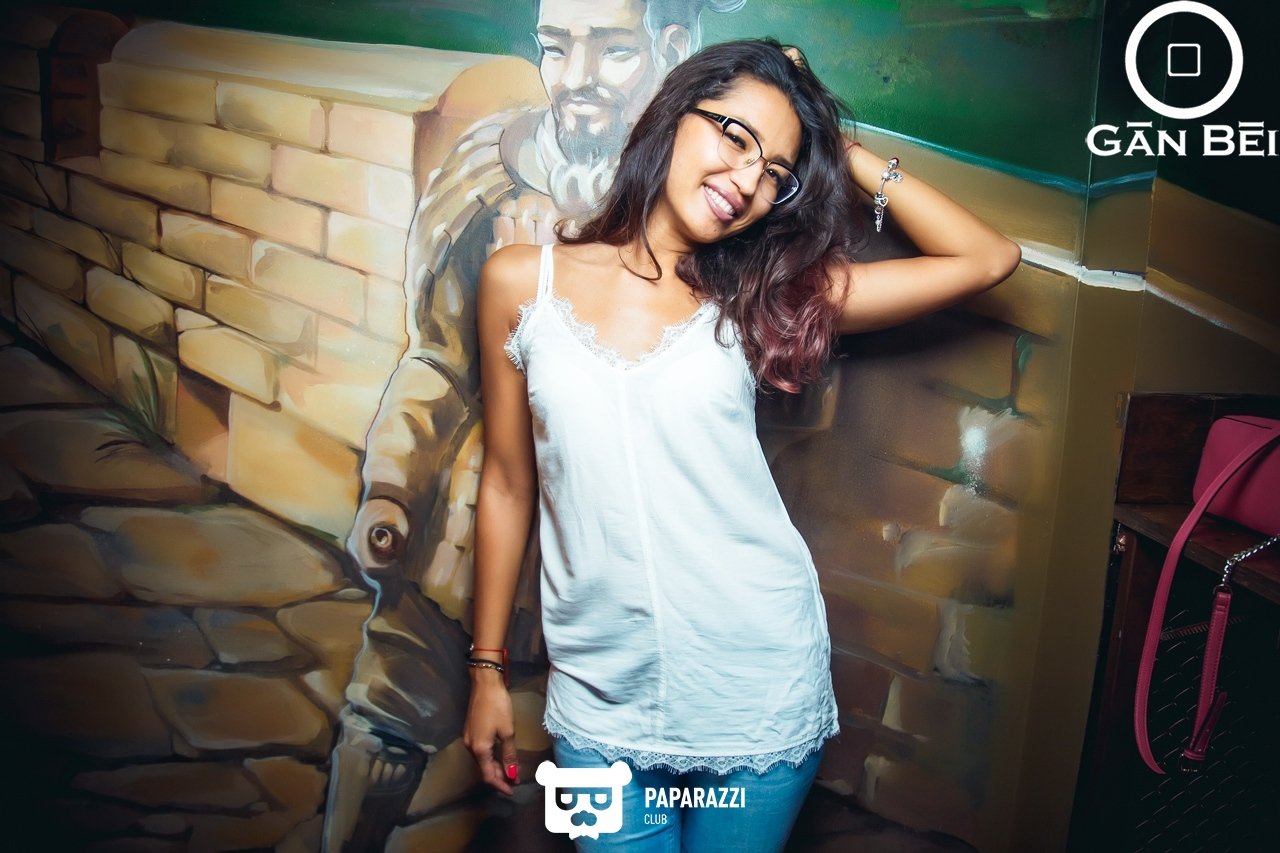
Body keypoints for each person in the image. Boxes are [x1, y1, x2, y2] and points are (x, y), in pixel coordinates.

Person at [463, 38, 1021, 852]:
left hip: (754, 688)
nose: (747, 179)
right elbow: (509, 484)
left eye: (776, 173)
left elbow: (988, 258)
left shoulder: (764, 296)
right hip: (598, 697)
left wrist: (838, 150)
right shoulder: (521, 282)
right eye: (735, 136)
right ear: (672, 116)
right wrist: (485, 669)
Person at [325, 3, 746, 851]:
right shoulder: (489, 179)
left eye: (612, 50)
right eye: (557, 48)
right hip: (463, 537)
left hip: (613, 574)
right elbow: (439, 361)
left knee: (561, 800)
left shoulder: (717, 204)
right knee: (388, 712)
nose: (576, 78)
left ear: (670, 46)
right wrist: (393, 486)